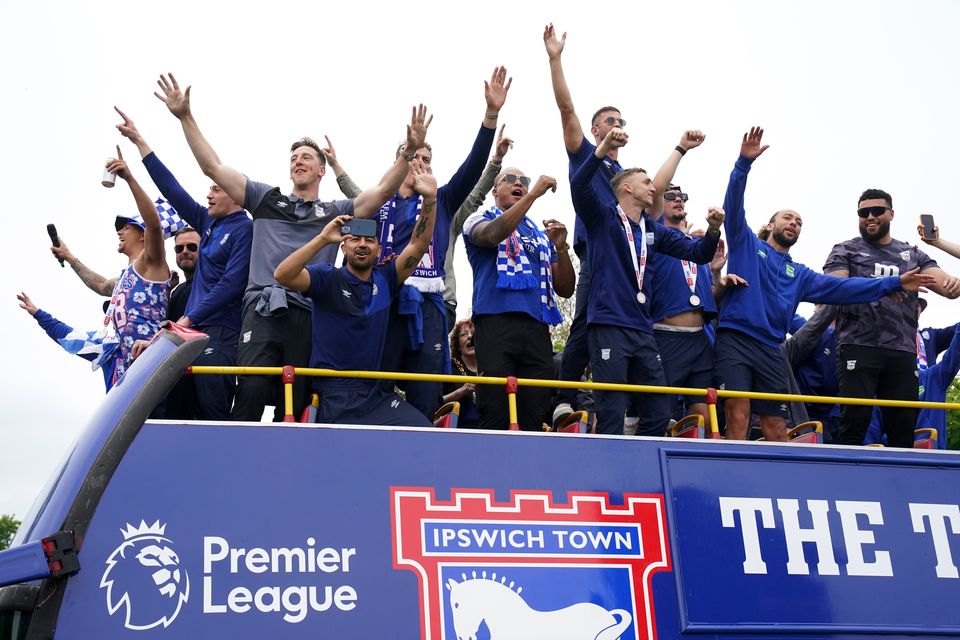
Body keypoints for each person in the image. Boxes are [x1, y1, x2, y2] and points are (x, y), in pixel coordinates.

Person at [155, 73, 431, 421]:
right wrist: (185, 117)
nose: (298, 161)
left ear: (322, 170)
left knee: (299, 399)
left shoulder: (336, 212)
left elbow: (382, 192)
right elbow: (212, 165)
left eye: (306, 157)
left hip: (307, 311)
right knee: (253, 389)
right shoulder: (265, 199)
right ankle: (241, 463)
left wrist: (407, 154)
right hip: (261, 307)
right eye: (294, 158)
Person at [717, 127, 936, 442]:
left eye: (799, 222)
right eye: (788, 218)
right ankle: (732, 479)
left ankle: (777, 485)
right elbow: (733, 205)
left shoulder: (800, 273)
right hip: (736, 339)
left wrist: (894, 283)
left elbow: (845, 289)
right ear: (770, 224)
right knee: (738, 412)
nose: (794, 223)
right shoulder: (747, 244)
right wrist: (743, 164)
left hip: (771, 348)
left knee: (777, 425)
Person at [570, 128, 724, 436]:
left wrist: (714, 229)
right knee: (612, 409)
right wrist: (601, 149)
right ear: (626, 188)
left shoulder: (653, 231)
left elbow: (699, 253)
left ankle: (641, 469)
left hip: (642, 330)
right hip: (609, 325)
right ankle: (609, 476)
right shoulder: (602, 219)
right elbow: (579, 185)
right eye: (646, 182)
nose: (653, 188)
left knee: (658, 409)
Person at [377, 67, 509, 421]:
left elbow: (473, 166)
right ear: (397, 163)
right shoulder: (377, 203)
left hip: (430, 306)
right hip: (385, 301)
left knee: (425, 394)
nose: (420, 163)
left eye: (426, 159)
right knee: (376, 387)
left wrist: (490, 116)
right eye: (412, 156)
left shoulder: (444, 200)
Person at [273, 160, 438, 426]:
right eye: (354, 239)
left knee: (424, 434)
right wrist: (323, 238)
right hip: (334, 393)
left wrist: (430, 198)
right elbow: (283, 274)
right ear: (344, 247)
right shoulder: (327, 277)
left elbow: (418, 245)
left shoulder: (386, 279)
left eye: (369, 240)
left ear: (378, 250)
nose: (362, 244)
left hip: (377, 393)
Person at [116, 107, 252, 420]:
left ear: (234, 193)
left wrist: (187, 320)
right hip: (194, 329)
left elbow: (231, 285)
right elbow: (172, 189)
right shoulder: (208, 222)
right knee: (185, 404)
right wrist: (140, 143)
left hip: (220, 330)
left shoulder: (245, 228)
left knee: (213, 408)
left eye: (216, 188)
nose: (208, 194)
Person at [823, 187, 960, 447]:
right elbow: (833, 288)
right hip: (858, 345)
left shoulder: (912, 254)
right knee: (855, 422)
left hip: (902, 351)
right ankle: (846, 486)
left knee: (902, 428)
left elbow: (946, 286)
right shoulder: (845, 249)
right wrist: (891, 284)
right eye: (864, 212)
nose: (870, 217)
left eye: (877, 211)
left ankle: (901, 486)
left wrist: (952, 284)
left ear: (891, 214)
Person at [543, 23, 625, 428]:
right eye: (610, 120)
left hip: (629, 263)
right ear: (596, 130)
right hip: (596, 254)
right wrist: (556, 59)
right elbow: (567, 109)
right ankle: (563, 398)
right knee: (586, 322)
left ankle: (626, 404)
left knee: (625, 328)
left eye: (622, 120)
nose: (617, 124)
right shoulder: (585, 157)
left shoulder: (628, 174)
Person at [50, 148, 175, 388]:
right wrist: (70, 257)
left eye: (126, 226)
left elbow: (155, 226)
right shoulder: (127, 275)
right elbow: (100, 285)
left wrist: (129, 178)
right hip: (121, 364)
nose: (119, 232)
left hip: (146, 361)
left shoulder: (152, 263)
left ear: (142, 234)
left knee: (145, 424)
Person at [462, 168, 575, 430]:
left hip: (536, 328)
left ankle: (528, 469)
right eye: (510, 180)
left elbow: (565, 289)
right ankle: (491, 469)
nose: (519, 184)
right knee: (495, 406)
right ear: (494, 190)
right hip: (495, 321)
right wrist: (534, 194)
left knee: (535, 407)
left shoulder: (538, 234)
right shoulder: (479, 217)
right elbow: (490, 235)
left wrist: (560, 246)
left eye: (524, 182)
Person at [650, 178, 721, 424]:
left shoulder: (695, 246)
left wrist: (719, 278)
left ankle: (703, 462)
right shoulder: (652, 238)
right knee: (661, 409)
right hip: (667, 335)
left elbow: (708, 296)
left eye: (681, 197)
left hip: (700, 338)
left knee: (703, 413)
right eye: (669, 196)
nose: (678, 199)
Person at [443, 125, 514, 328]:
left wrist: (496, 161)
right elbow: (362, 200)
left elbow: (475, 195)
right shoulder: (392, 212)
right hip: (398, 297)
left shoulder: (446, 216)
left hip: (440, 301)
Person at [17, 292, 117, 389]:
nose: (118, 317)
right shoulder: (110, 347)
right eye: (114, 314)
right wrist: (38, 314)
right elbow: (70, 336)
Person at [442, 319, 480, 429]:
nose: (470, 337)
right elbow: (435, 403)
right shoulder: (448, 368)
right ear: (457, 345)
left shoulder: (491, 368)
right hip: (458, 430)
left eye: (473, 334)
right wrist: (461, 391)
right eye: (464, 334)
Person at [167, 227, 200, 323]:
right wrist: (167, 290)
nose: (184, 251)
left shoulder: (212, 283)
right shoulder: (177, 291)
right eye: (179, 248)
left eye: (192, 247)